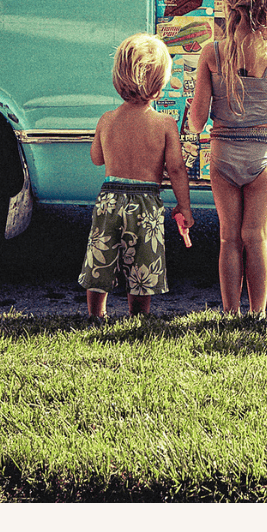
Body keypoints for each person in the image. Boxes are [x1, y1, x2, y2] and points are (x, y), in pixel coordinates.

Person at [187, 0, 267, 314]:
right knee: (257, 236)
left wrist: (193, 110)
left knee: (228, 237)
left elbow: (197, 121)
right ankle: (258, 313)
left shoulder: (212, 53)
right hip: (262, 156)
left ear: (228, 5)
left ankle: (230, 311)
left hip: (222, 156)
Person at [81, 33, 194, 318]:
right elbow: (176, 168)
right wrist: (184, 206)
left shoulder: (106, 119)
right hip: (146, 203)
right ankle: (139, 316)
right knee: (143, 261)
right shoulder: (164, 124)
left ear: (118, 77)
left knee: (101, 257)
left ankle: (97, 313)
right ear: (160, 83)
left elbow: (96, 158)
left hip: (109, 200)